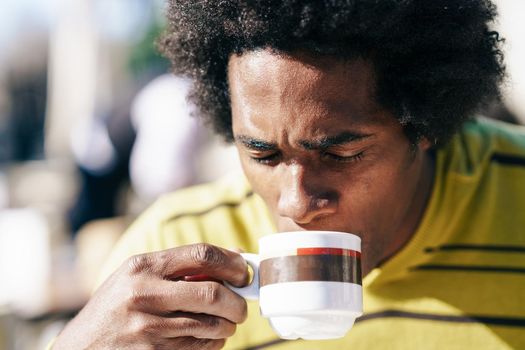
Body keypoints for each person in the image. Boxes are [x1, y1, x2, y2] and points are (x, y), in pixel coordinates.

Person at [51, 1, 525, 349]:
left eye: (341, 153)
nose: (294, 202)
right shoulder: (173, 254)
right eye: (263, 154)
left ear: (425, 124)